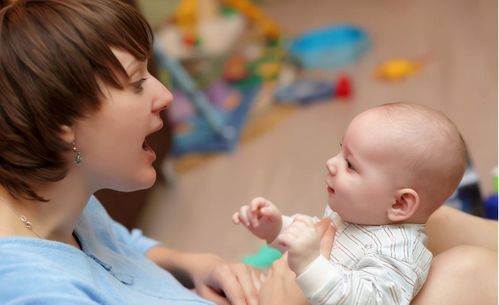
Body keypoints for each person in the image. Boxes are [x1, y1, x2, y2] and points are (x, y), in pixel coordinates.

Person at [0, 1, 263, 304]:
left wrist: (195, 265)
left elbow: (119, 246)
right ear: (60, 120)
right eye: (137, 82)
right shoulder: (32, 291)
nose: (165, 96)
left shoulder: (55, 198)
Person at [233, 103, 470, 304]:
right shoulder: (354, 216)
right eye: (340, 150)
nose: (330, 163)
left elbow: (368, 300)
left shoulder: (399, 253)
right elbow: (314, 240)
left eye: (351, 165)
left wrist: (310, 264)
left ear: (399, 203)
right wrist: (277, 227)